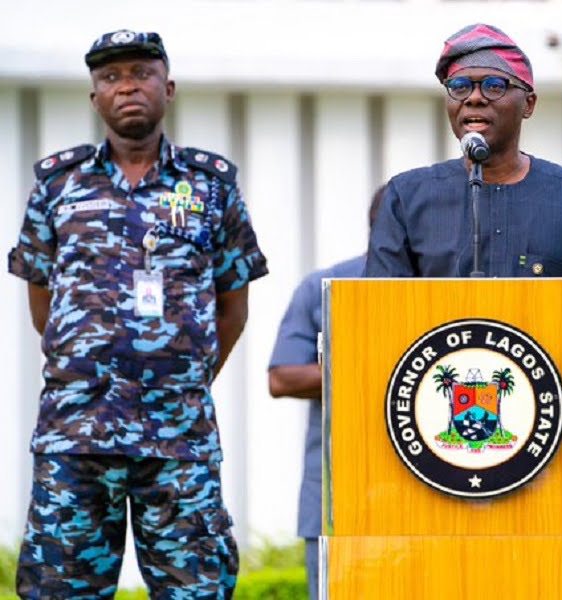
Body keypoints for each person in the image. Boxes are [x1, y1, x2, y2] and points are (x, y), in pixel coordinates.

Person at [7, 30, 268, 598]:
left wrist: (185, 376)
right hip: (77, 433)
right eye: (110, 78)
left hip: (180, 436)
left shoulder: (211, 185)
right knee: (60, 588)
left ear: (167, 87)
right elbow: (40, 294)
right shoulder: (58, 184)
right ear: (94, 97)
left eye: (141, 74)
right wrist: (88, 364)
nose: (127, 86)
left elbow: (234, 300)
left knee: (195, 588)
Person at [364, 23, 562, 336]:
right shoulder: (408, 196)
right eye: (459, 86)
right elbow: (379, 313)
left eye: (494, 85)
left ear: (529, 104)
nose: (474, 98)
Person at [268, 185, 385, 600]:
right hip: (335, 493)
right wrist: (371, 370)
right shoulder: (325, 286)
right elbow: (282, 377)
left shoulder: (450, 285)